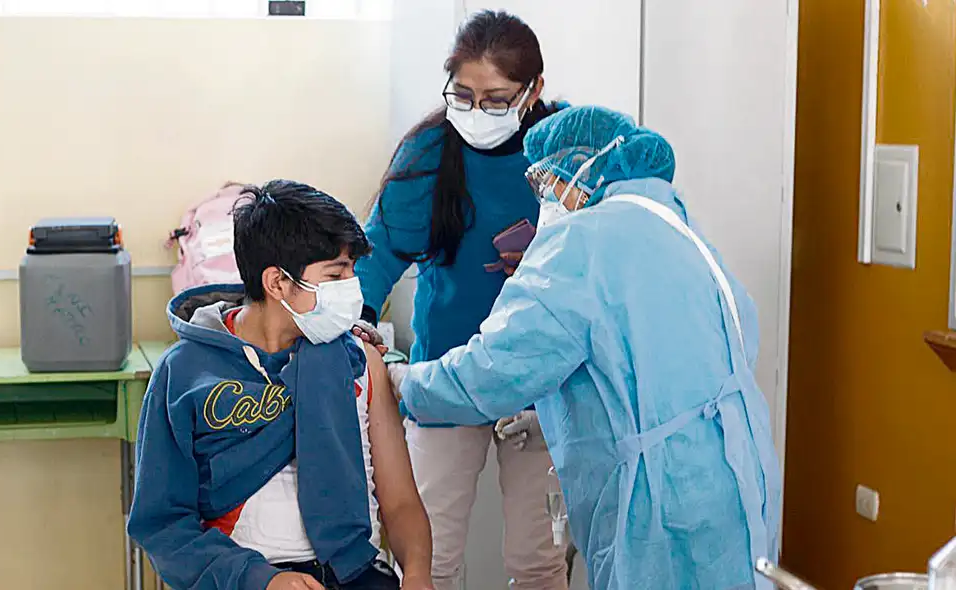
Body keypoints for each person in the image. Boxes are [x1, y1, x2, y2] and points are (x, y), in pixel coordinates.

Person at [390, 106, 783, 590]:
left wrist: (402, 380)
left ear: (580, 169)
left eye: (545, 183)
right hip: (736, 471)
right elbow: (700, 349)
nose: (545, 199)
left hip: (663, 497)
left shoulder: (580, 242)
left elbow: (489, 373)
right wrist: (561, 415)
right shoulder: (674, 223)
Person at [351, 10, 569, 590]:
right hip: (447, 374)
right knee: (427, 556)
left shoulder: (567, 149)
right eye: (464, 95)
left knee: (538, 560)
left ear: (534, 92)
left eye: (497, 100)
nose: (478, 112)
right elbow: (378, 252)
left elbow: (609, 248)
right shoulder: (428, 153)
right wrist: (355, 322)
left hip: (543, 385)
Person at [127, 180, 434, 590]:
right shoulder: (184, 374)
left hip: (355, 574)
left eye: (352, 270)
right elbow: (164, 524)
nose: (352, 287)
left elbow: (400, 501)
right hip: (246, 578)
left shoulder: (360, 361)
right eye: (336, 273)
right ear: (277, 283)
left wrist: (416, 573)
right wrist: (262, 580)